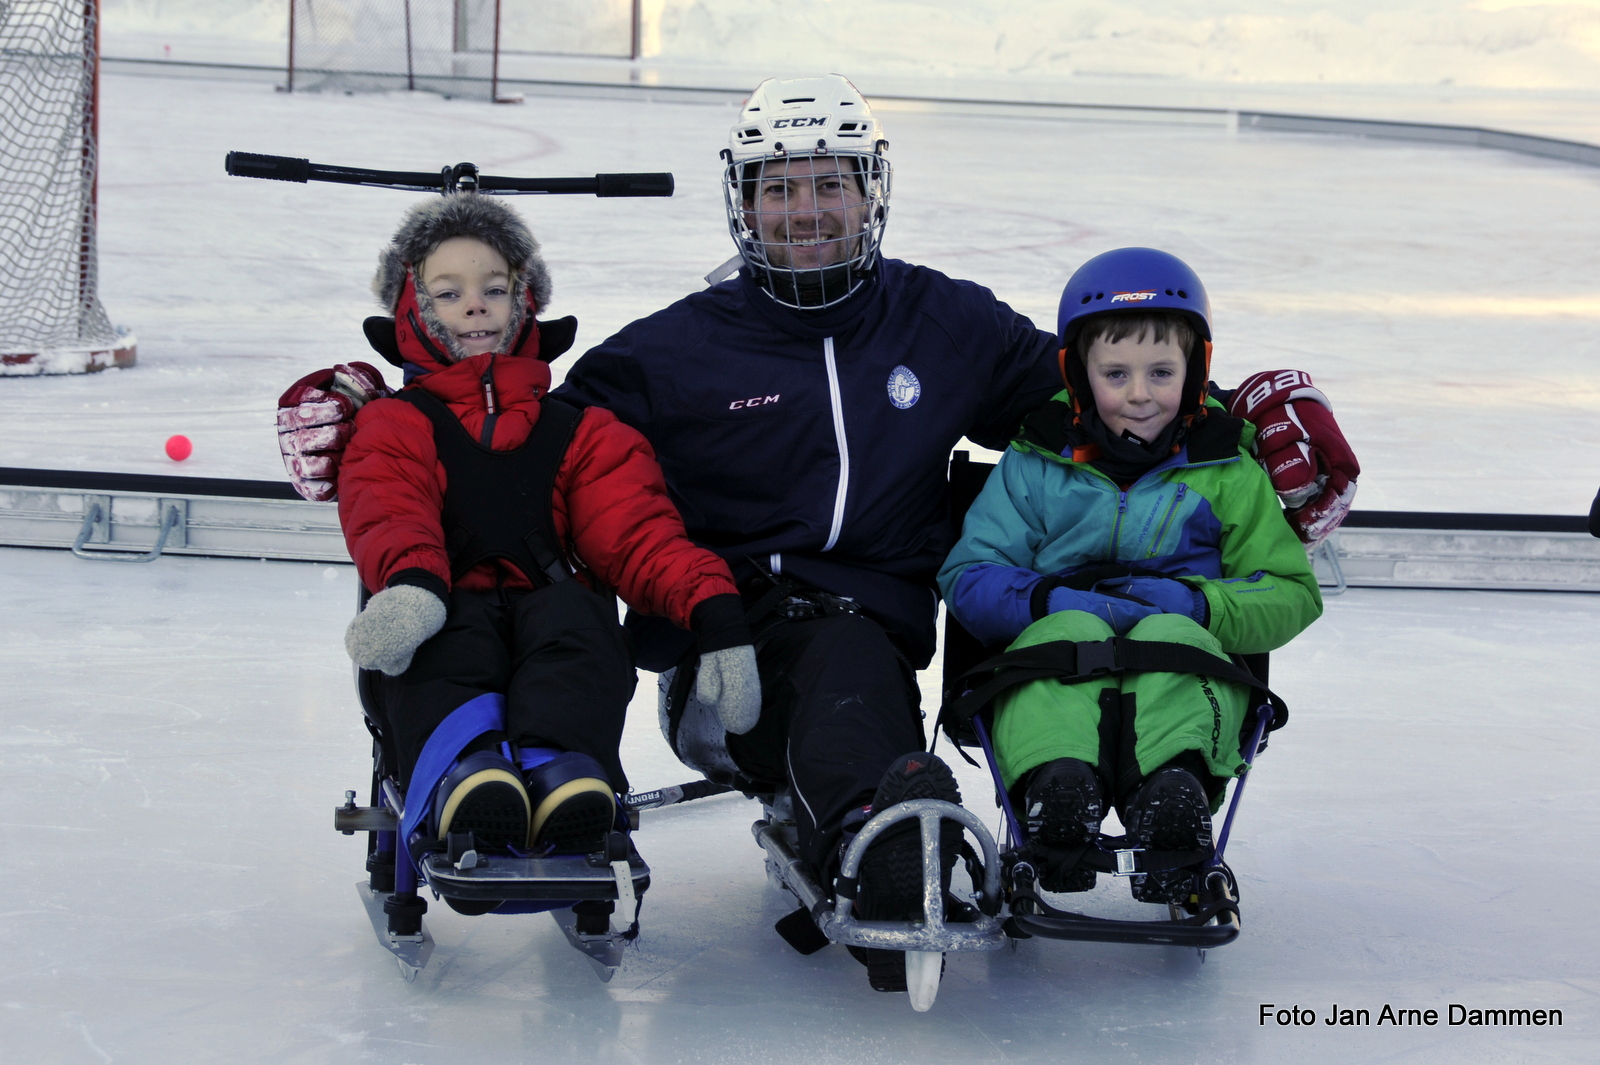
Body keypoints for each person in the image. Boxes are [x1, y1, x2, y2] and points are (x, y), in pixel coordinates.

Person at [274, 74, 1360, 991]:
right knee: (825, 659)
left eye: (828, 185)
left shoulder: (942, 322)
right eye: (779, 187)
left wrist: (1251, 421)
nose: (805, 209)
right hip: (728, 641)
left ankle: (883, 818)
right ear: (743, 204)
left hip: (875, 630)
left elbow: (1112, 399)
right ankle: (880, 830)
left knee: (849, 656)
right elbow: (522, 433)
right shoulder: (672, 353)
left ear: (868, 194)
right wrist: (383, 402)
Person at [335, 194, 761, 872]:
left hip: (550, 607)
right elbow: (389, 505)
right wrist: (413, 583)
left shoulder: (582, 431)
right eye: (449, 293)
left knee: (580, 625)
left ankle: (563, 772)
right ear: (414, 311)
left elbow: (638, 532)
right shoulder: (397, 424)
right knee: (449, 635)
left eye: (494, 289)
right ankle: (465, 773)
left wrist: (713, 610)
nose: (475, 305)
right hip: (445, 600)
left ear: (524, 301)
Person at [938, 247, 1323, 903]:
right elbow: (969, 571)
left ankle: (1171, 794)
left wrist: (1201, 606)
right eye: (1116, 373)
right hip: (1054, 644)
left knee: (1175, 642)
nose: (1139, 394)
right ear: (1079, 374)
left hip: (1183, 651)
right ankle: (1057, 789)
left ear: (1195, 371)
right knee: (1063, 639)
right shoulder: (1036, 460)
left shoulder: (1226, 468)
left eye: (1161, 372)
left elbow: (1289, 591)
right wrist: (1044, 598)